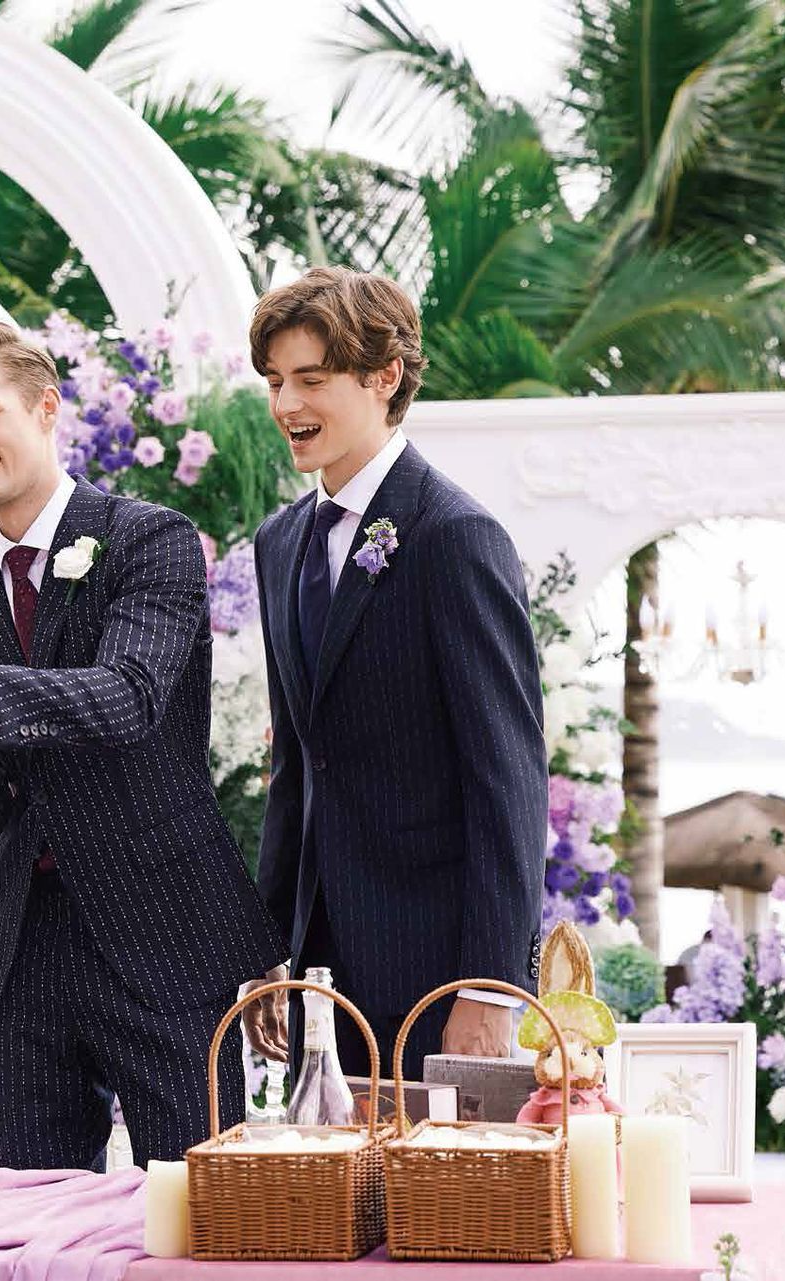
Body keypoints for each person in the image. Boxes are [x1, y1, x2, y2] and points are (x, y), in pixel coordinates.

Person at [0, 320, 285, 1168]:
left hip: (166, 936)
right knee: (32, 1219)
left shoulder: (152, 539)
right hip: (26, 952)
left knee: (197, 1211)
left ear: (46, 408)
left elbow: (130, 696)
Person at [248, 267, 547, 1080]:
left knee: (432, 1172)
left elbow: (508, 777)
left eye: (312, 378)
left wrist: (489, 985)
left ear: (384, 376)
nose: (286, 404)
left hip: (437, 970)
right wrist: (266, 948)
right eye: (275, 381)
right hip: (319, 975)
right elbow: (295, 767)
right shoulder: (280, 543)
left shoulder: (455, 535)